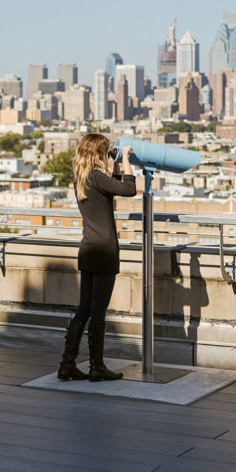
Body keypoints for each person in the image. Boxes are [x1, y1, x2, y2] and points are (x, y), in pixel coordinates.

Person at [57, 133, 137, 382]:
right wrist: (125, 160)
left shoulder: (82, 178)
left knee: (84, 309)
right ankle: (96, 366)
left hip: (88, 248)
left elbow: (109, 189)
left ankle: (67, 364)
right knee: (99, 311)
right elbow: (129, 189)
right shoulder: (96, 176)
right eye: (105, 151)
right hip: (104, 250)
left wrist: (113, 166)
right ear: (98, 153)